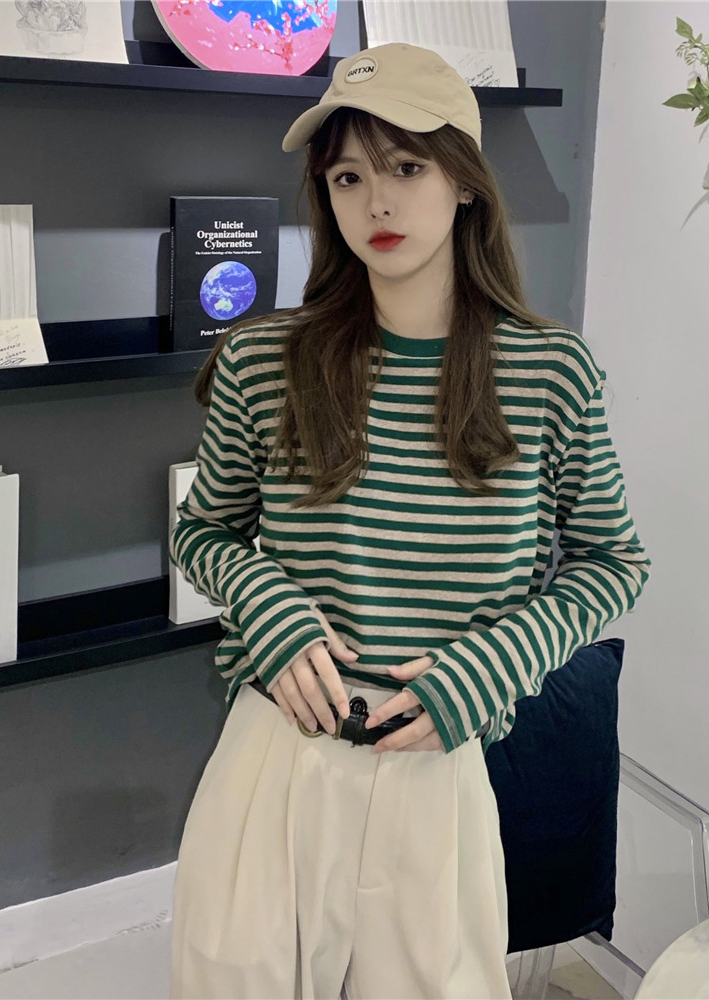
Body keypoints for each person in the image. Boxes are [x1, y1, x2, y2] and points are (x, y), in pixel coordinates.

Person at [168, 42, 650, 1000]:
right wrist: (269, 605)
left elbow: (613, 561)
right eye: (348, 177)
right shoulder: (263, 361)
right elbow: (203, 532)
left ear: (464, 181)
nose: (376, 204)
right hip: (277, 753)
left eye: (406, 167)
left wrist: (492, 665)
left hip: (439, 761)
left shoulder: (550, 372)